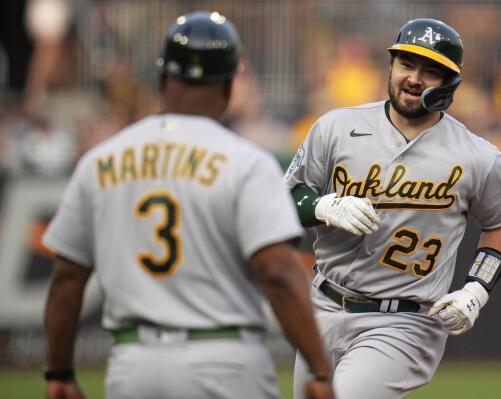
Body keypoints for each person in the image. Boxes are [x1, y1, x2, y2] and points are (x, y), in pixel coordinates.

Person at [42, 11, 334, 399]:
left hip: (134, 363)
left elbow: (66, 281)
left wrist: (59, 372)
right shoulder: (246, 162)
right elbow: (278, 275)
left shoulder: (101, 160)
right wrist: (319, 368)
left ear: (163, 77)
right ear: (230, 83)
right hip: (224, 360)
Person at [284, 18, 501, 399]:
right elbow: (286, 197)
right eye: (406, 64)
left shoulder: (477, 156)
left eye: (431, 71)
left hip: (403, 320)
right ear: (391, 66)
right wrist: (322, 206)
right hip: (322, 305)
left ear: (451, 83)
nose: (414, 78)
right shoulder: (336, 127)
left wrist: (476, 289)